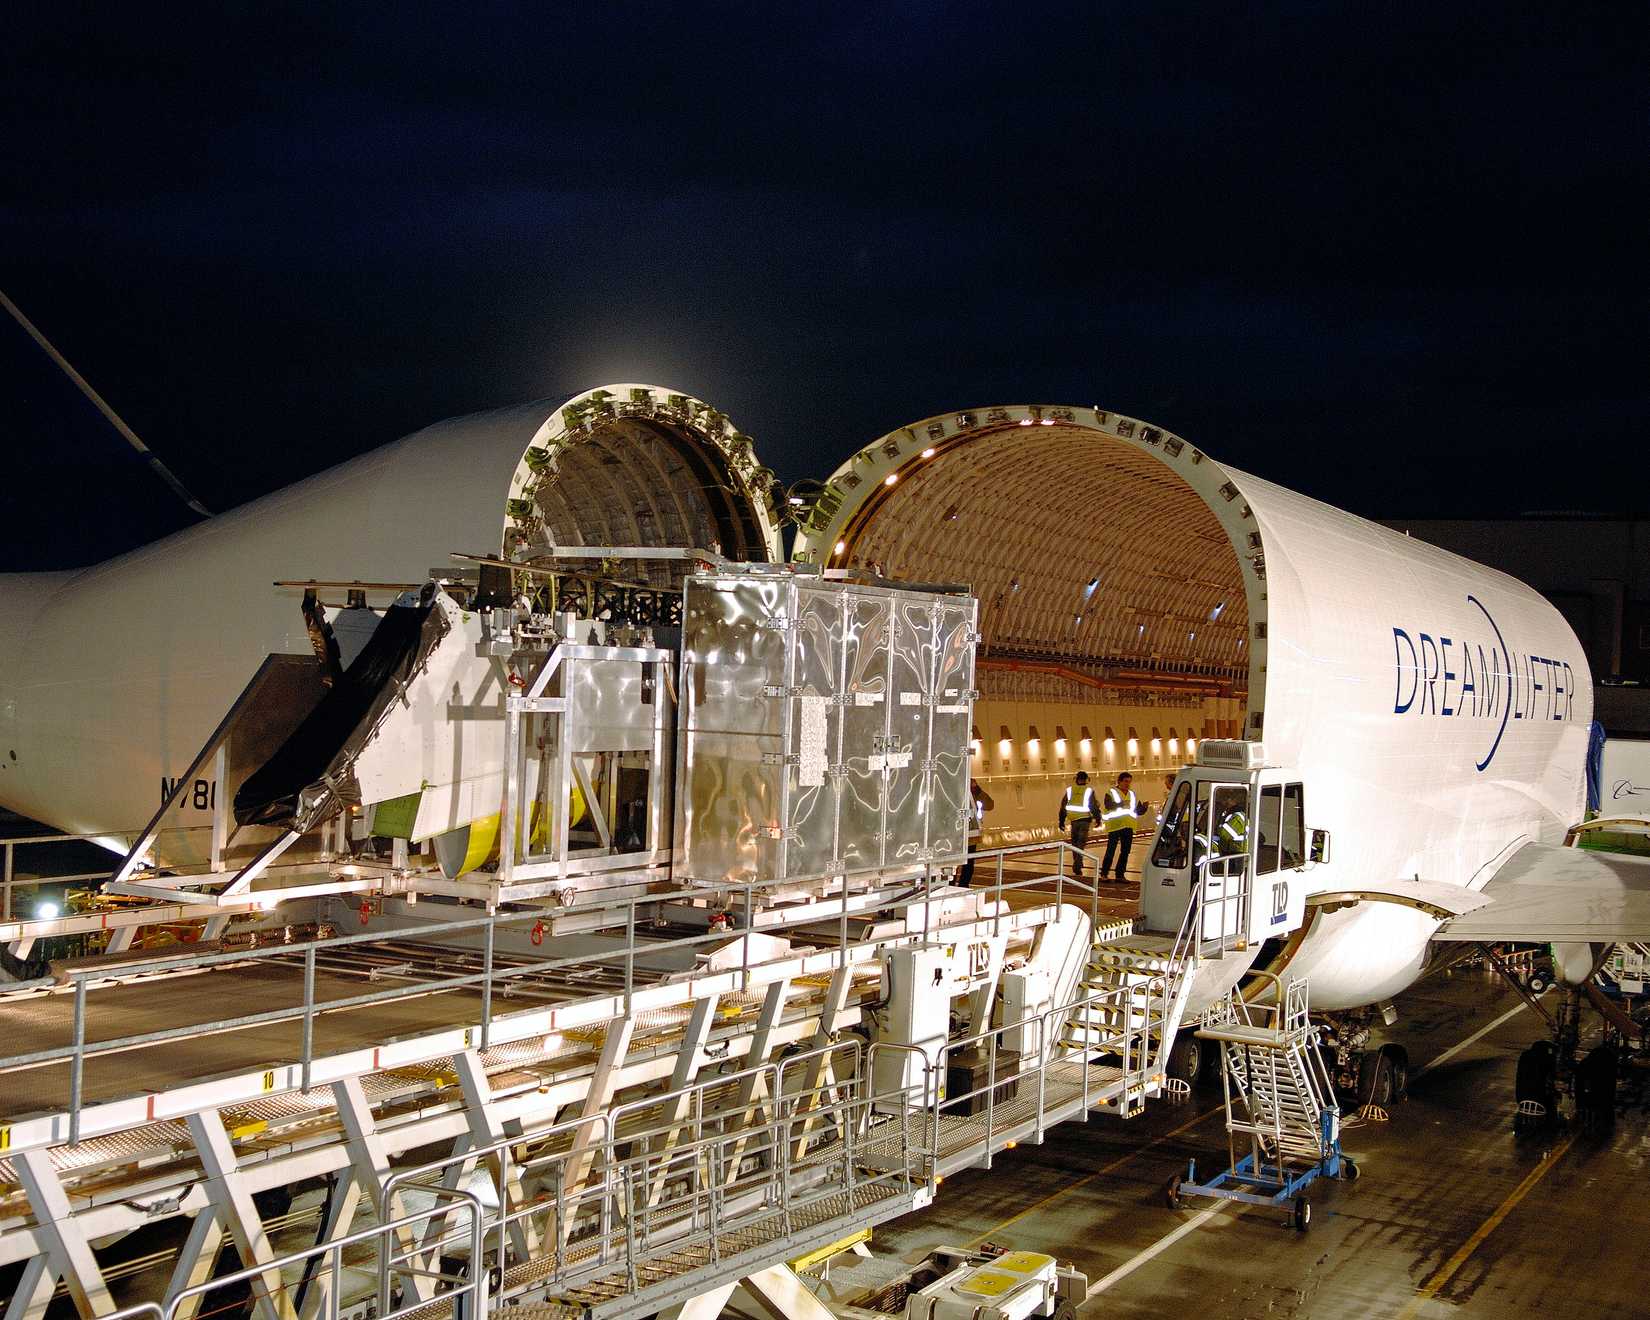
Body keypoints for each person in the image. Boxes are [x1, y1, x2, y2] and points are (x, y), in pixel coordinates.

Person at [1101, 772, 1146, 883]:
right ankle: (1104, 873)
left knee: (1125, 851)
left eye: (1129, 782)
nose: (1128, 784)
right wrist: (1121, 803)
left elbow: (1137, 811)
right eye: (1125, 781)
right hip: (1115, 826)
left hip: (1128, 826)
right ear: (1119, 781)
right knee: (1111, 850)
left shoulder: (1132, 794)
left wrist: (1144, 808)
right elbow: (1108, 805)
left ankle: (1120, 875)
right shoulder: (1111, 792)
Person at [1058, 771, 1097, 877]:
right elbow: (1093, 806)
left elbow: (1063, 806)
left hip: (1074, 821)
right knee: (1081, 844)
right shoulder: (1089, 791)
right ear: (1086, 779)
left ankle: (1077, 863)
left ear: (1076, 779)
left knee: (1075, 844)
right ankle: (1077, 865)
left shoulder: (1070, 790)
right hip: (1085, 821)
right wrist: (1098, 818)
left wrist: (1061, 821)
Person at [959, 779, 995, 886]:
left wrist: (977, 790)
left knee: (968, 864)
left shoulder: (974, 793)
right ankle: (951, 885)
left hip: (971, 834)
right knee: (954, 863)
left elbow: (989, 805)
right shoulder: (954, 789)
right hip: (958, 834)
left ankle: (963, 885)